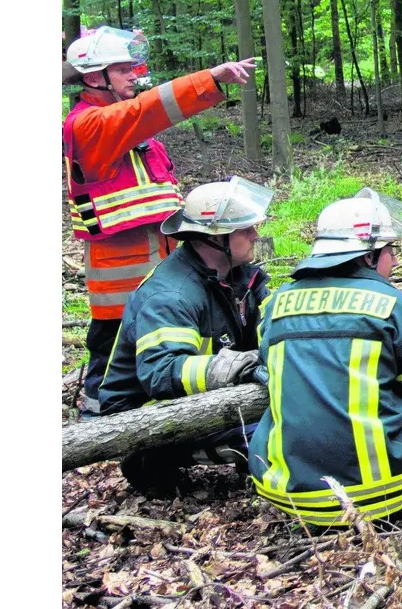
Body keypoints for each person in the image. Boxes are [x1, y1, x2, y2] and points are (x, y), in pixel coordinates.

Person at [63, 26, 257, 414]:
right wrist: (208, 79)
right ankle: (99, 426)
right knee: (114, 350)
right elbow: (145, 111)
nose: (134, 75)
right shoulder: (88, 125)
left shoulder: (123, 129)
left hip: (159, 262)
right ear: (92, 78)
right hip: (123, 274)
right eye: (122, 70)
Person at [248, 189, 402, 528]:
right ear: (367, 256)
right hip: (385, 495)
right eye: (389, 250)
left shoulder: (275, 306)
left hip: (290, 496)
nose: (393, 261)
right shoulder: (398, 308)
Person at [96, 177, 273, 495]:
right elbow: (162, 372)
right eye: (245, 228)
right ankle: (153, 459)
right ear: (216, 236)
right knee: (272, 431)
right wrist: (236, 366)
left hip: (204, 399)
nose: (255, 235)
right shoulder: (172, 295)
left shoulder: (238, 279)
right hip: (144, 417)